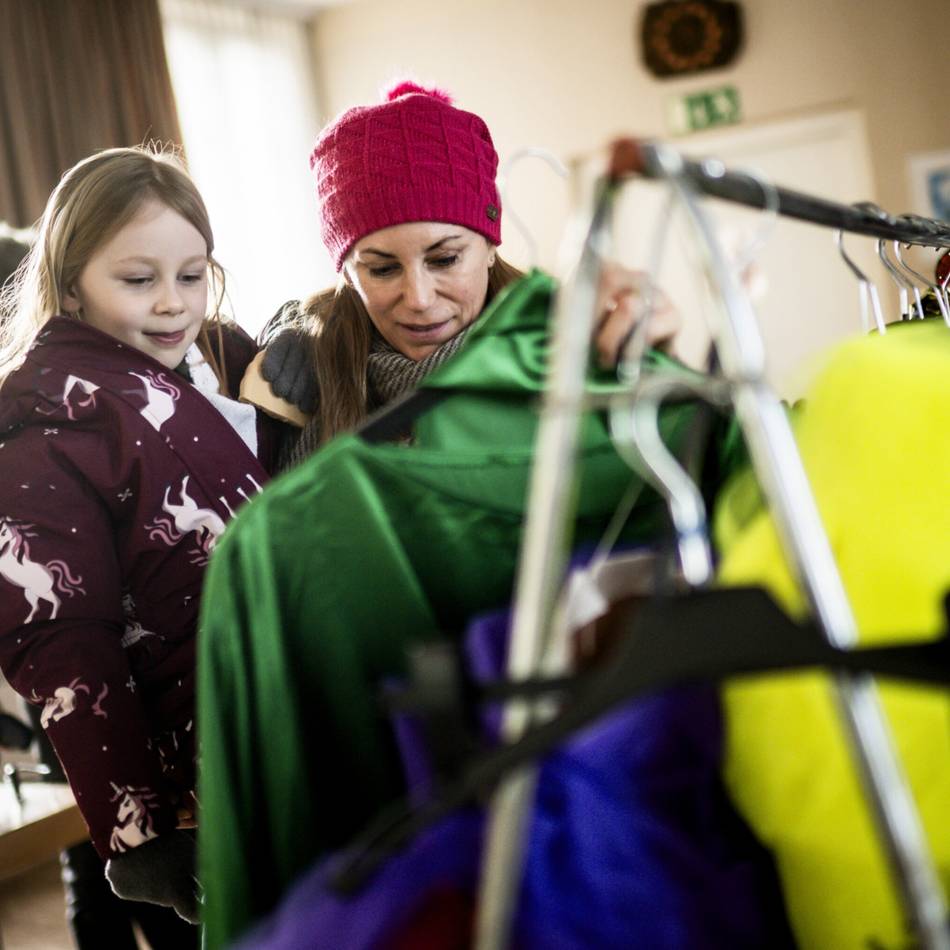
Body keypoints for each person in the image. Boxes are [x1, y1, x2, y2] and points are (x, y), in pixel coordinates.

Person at [0, 146, 281, 929]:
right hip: (193, 787)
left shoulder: (195, 369)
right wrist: (137, 834)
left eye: (191, 275)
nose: (172, 303)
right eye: (138, 279)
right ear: (69, 284)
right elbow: (61, 637)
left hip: (276, 738)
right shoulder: (45, 424)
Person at [256, 81, 681, 465]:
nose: (419, 299)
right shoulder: (314, 375)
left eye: (444, 260)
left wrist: (663, 369)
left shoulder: (569, 344)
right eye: (383, 269)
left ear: (491, 246)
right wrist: (302, 330)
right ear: (348, 274)